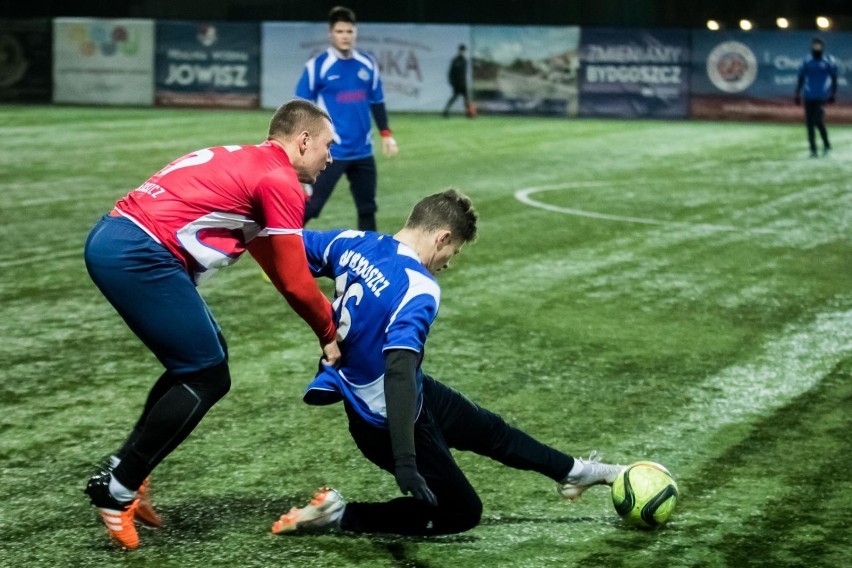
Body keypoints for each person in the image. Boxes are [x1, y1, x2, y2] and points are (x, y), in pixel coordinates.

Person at [269, 190, 622, 537]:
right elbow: (398, 369)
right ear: (443, 237)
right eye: (453, 251)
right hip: (387, 416)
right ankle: (341, 515)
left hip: (400, 393)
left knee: (490, 430)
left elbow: (283, 243)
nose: (448, 262)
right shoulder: (419, 286)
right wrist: (405, 459)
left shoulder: (353, 241)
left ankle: (574, 472)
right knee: (462, 512)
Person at [82, 99, 342, 550]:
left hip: (123, 241)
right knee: (206, 373)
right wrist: (329, 334)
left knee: (200, 362)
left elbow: (282, 268)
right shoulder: (279, 179)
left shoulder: (253, 162)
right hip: (137, 254)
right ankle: (118, 487)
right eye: (326, 145)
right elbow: (296, 283)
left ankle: (128, 473)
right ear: (303, 140)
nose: (330, 157)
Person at [295, 5, 398, 232]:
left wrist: (386, 134)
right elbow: (301, 107)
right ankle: (276, 248)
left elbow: (377, 102)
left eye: (349, 32)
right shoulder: (317, 66)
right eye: (340, 31)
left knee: (367, 208)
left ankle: (367, 263)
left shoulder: (367, 64)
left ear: (355, 33)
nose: (345, 36)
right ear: (330, 33)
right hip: (331, 152)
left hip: (363, 151)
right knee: (312, 207)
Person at [795, 37, 838, 158]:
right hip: (808, 96)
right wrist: (797, 93)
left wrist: (833, 93)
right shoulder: (806, 61)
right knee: (809, 124)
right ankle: (813, 150)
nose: (816, 48)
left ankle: (826, 145)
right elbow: (801, 78)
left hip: (821, 96)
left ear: (823, 48)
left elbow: (834, 78)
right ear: (811, 47)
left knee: (818, 121)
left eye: (819, 46)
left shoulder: (829, 61)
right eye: (815, 46)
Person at [443, 44, 472, 118]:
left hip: (463, 83)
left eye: (463, 51)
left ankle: (468, 113)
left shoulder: (465, 61)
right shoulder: (455, 60)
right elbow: (450, 72)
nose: (462, 52)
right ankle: (446, 111)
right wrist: (451, 81)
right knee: (454, 97)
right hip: (456, 83)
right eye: (461, 50)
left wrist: (465, 83)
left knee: (466, 99)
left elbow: (465, 73)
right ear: (459, 50)